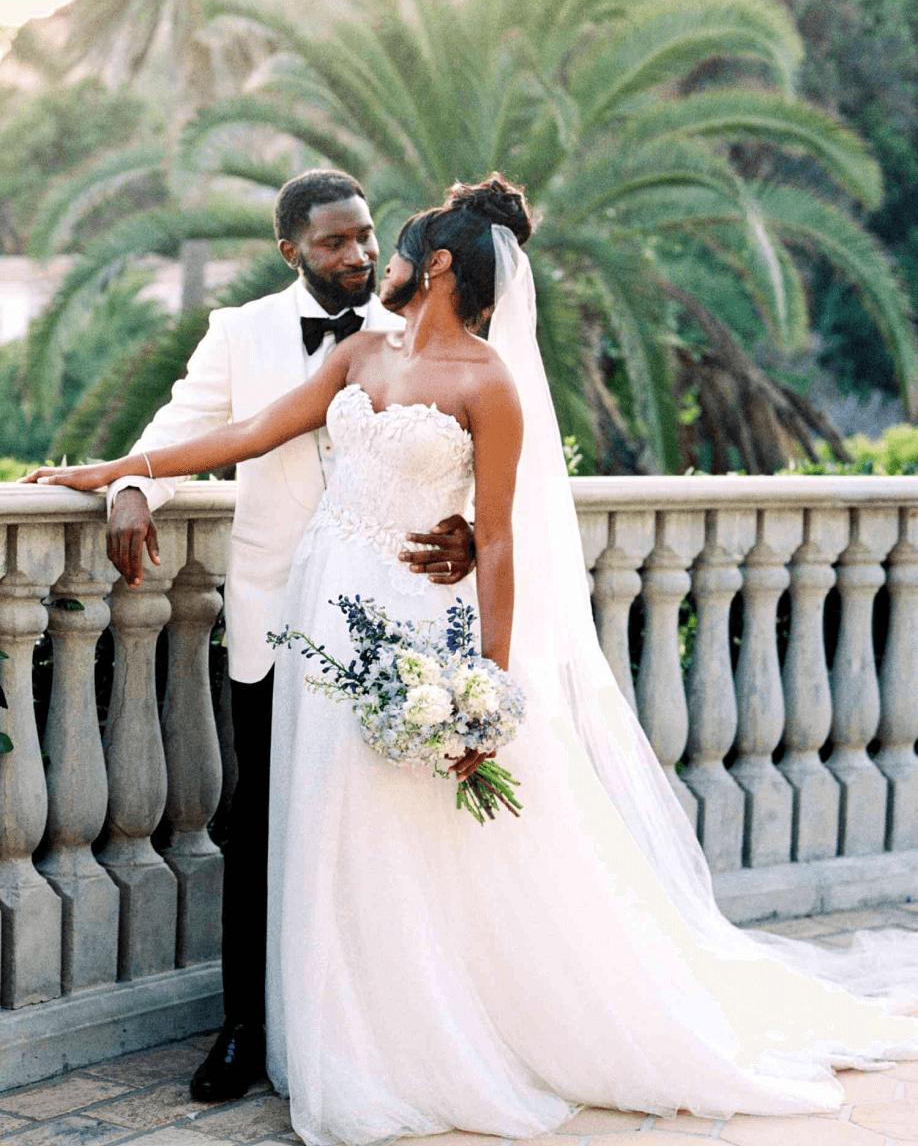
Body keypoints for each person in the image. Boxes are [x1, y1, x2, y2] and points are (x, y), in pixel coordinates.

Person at [23, 174, 918, 1143]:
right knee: (328, 831)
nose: (380, 262)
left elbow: (496, 538)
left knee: (403, 833)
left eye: (394, 245)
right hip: (322, 619)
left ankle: (418, 1043)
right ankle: (332, 1029)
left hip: (412, 623)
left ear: (437, 266)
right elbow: (250, 429)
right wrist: (120, 472)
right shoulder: (360, 353)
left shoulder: (489, 383)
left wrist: (485, 689)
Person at [99, 169, 474, 1102]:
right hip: (276, 623)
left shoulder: (415, 333)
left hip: (386, 623)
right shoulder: (241, 333)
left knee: (382, 826)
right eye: (333, 242)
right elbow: (189, 427)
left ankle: (376, 1027)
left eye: (363, 236)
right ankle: (245, 1029)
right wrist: (129, 487)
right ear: (289, 251)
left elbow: (463, 452)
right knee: (261, 828)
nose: (354, 254)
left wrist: (470, 528)